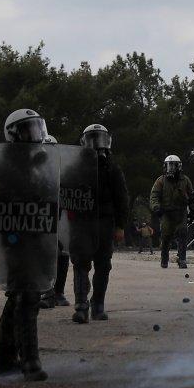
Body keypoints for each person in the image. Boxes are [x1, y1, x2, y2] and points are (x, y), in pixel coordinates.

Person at [0, 108, 52, 381]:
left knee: (19, 295)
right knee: (27, 295)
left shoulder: (35, 163)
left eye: (37, 128)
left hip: (35, 237)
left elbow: (48, 193)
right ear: (14, 134)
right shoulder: (4, 165)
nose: (35, 134)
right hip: (15, 239)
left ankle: (4, 359)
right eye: (29, 129)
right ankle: (30, 361)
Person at [70, 124, 129, 323]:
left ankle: (98, 305)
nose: (97, 143)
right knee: (80, 263)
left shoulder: (112, 168)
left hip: (105, 222)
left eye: (100, 138)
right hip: (80, 222)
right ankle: (81, 306)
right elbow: (65, 194)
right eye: (92, 138)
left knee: (103, 265)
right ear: (84, 142)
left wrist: (120, 226)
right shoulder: (75, 167)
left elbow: (122, 198)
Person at [39, 134, 71, 310]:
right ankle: (45, 291)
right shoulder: (35, 171)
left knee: (62, 253)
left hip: (61, 219)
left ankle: (58, 292)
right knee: (43, 255)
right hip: (41, 218)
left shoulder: (64, 171)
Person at [150, 155, 194, 269]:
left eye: (173, 166)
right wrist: (157, 207)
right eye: (168, 165)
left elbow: (191, 197)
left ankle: (182, 259)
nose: (170, 168)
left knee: (182, 234)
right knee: (166, 237)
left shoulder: (185, 180)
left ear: (178, 166)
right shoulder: (160, 180)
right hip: (166, 213)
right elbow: (154, 196)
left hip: (181, 212)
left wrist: (193, 211)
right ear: (164, 166)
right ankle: (164, 259)